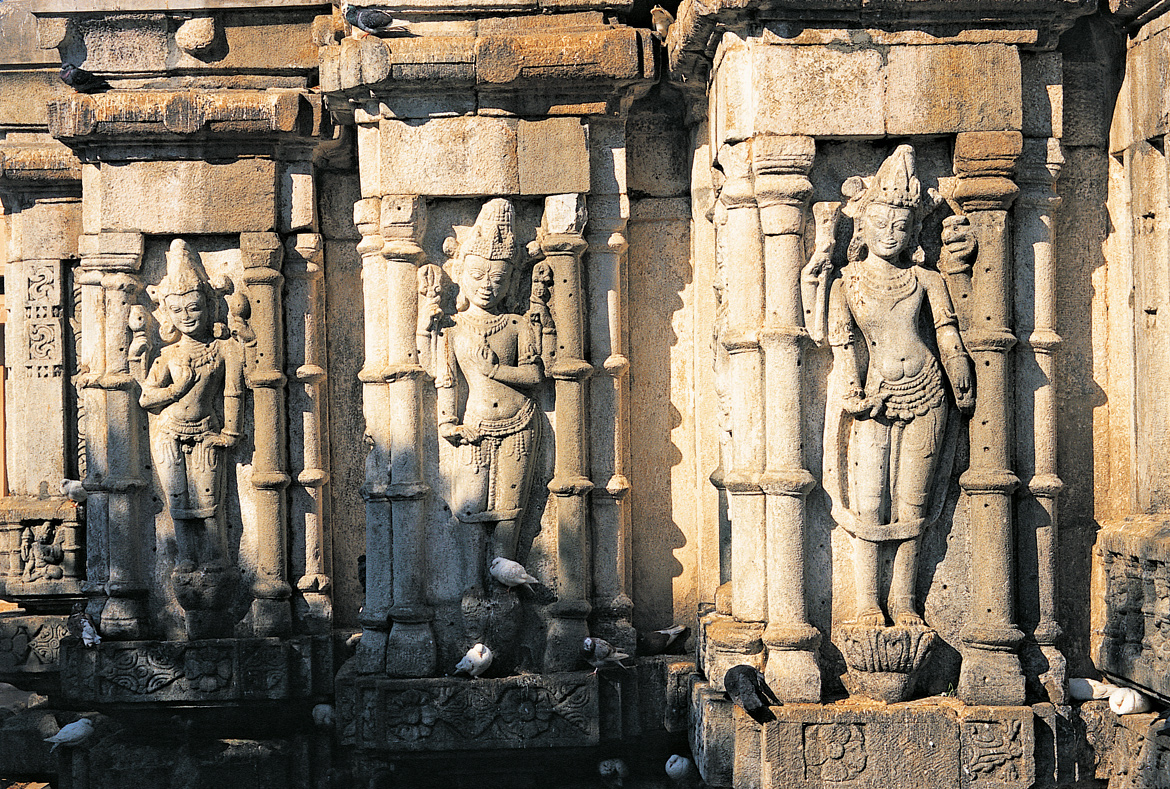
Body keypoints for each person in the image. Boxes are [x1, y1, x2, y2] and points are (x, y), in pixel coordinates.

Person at [805, 145, 974, 628]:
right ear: (863, 226)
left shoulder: (925, 278)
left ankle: (902, 598)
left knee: (913, 501)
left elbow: (945, 329)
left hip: (928, 392)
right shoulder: (846, 282)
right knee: (869, 500)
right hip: (875, 398)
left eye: (901, 226)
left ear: (914, 232)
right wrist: (855, 396)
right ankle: (865, 601)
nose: (891, 233)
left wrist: (958, 359)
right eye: (881, 223)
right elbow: (841, 344)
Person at [438, 198, 543, 566]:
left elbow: (534, 375)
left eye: (498, 279)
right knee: (469, 510)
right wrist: (447, 423)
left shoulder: (518, 325)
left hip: (520, 425)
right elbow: (447, 381)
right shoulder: (453, 330)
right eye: (478, 276)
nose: (487, 286)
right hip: (475, 427)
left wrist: (496, 371)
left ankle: (504, 587)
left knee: (509, 513)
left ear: (512, 280)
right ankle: (471, 583)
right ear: (461, 275)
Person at [139, 239, 245, 577]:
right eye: (178, 310)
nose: (186, 316)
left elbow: (233, 392)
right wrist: (176, 389)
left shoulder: (224, 349)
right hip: (169, 432)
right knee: (177, 501)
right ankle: (186, 557)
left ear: (209, 306)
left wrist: (230, 432)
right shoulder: (168, 355)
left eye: (194, 307)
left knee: (209, 501)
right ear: (167, 313)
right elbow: (146, 398)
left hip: (207, 432)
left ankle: (216, 557)